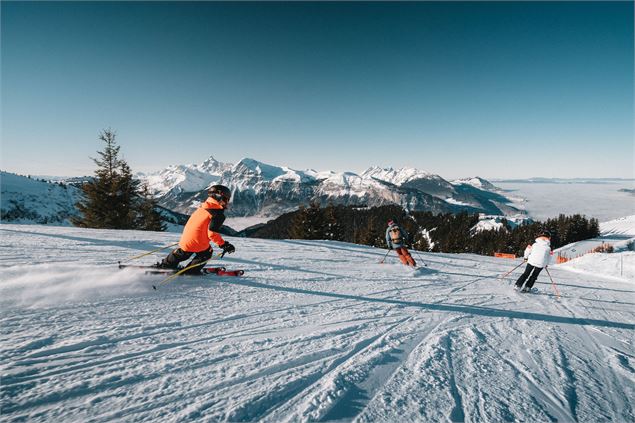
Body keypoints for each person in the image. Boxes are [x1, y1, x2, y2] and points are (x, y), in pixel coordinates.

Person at [159, 185, 236, 274]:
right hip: (197, 242)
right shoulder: (217, 214)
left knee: (183, 252)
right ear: (219, 197)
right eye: (226, 199)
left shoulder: (203, 207)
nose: (226, 202)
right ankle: (191, 271)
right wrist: (224, 245)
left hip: (186, 238)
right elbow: (212, 233)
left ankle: (166, 265)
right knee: (206, 253)